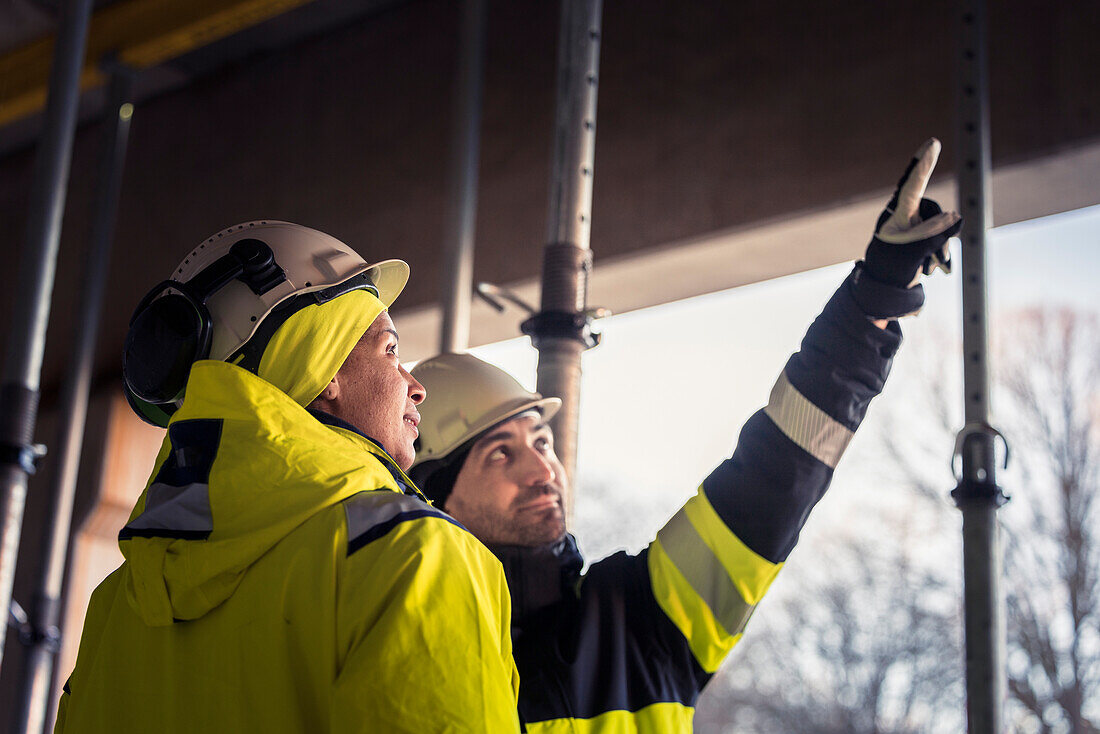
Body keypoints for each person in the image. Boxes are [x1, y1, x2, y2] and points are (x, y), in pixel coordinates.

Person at [408, 139, 962, 732]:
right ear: (435, 493)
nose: (542, 470)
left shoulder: (642, 619)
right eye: (501, 453)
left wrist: (874, 298)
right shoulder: (405, 650)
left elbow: (777, 473)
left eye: (542, 443)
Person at [55, 221, 520, 733]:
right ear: (324, 374)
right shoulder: (415, 554)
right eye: (390, 351)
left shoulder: (119, 604)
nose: (415, 386)